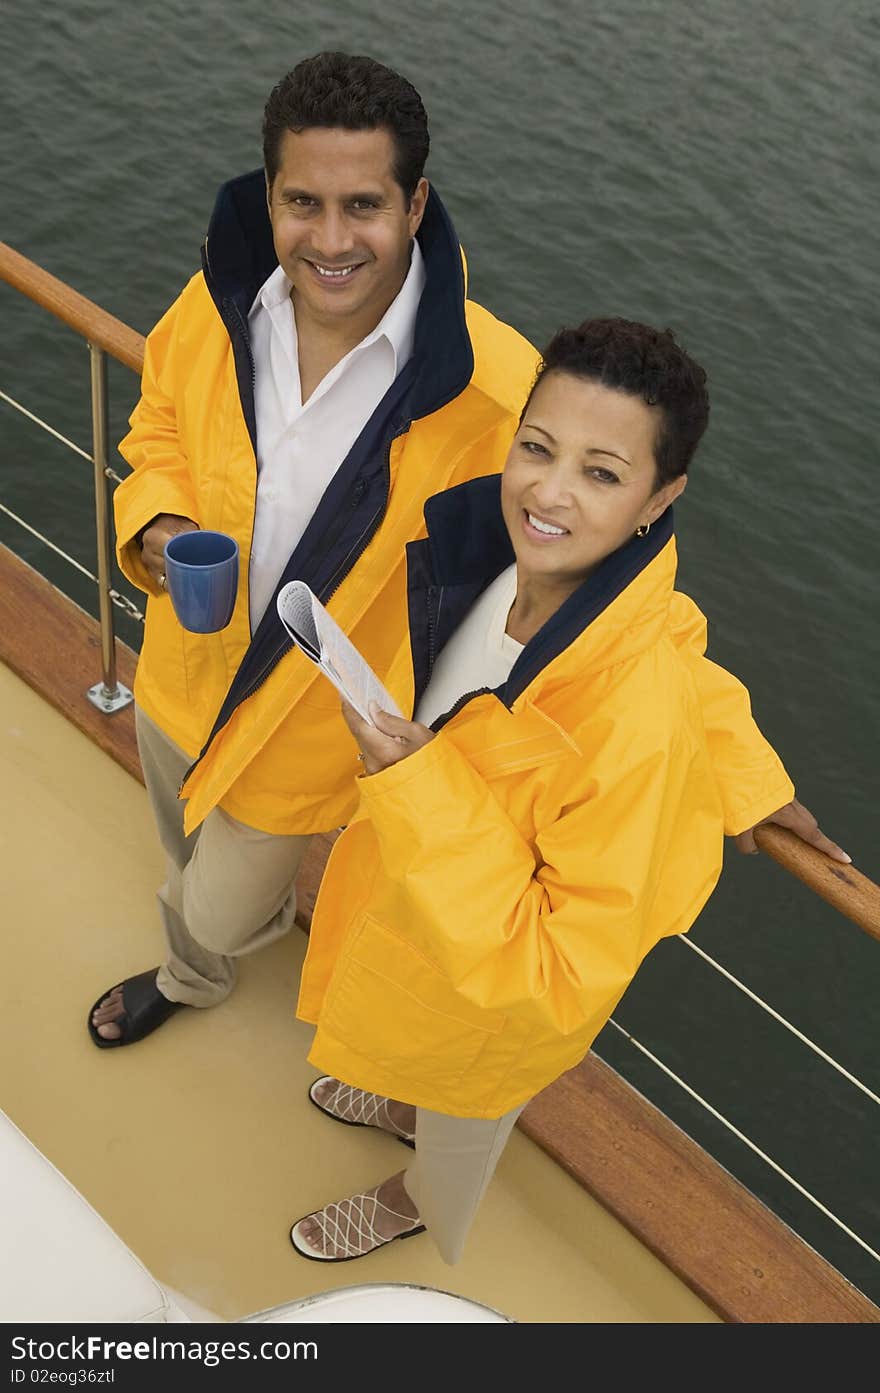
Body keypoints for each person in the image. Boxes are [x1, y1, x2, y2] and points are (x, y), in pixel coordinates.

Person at [89, 53, 844, 1050]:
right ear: (268, 195)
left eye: (362, 204)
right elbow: (159, 431)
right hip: (179, 667)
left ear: (415, 205)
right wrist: (158, 524)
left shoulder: (496, 396)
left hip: (304, 732)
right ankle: (190, 975)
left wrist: (746, 775)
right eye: (300, 202)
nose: (326, 240)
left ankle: (218, 944)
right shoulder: (217, 304)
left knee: (221, 901)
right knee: (174, 837)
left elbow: (624, 607)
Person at [290, 318, 847, 1265]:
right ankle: (391, 1088)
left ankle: (417, 1196)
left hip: (501, 998)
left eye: (601, 472)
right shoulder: (505, 563)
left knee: (462, 1113)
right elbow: (676, 642)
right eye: (536, 448)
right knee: (405, 1017)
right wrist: (750, 777)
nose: (547, 494)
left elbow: (552, 971)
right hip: (426, 908)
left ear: (658, 500)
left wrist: (416, 785)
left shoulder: (637, 728)